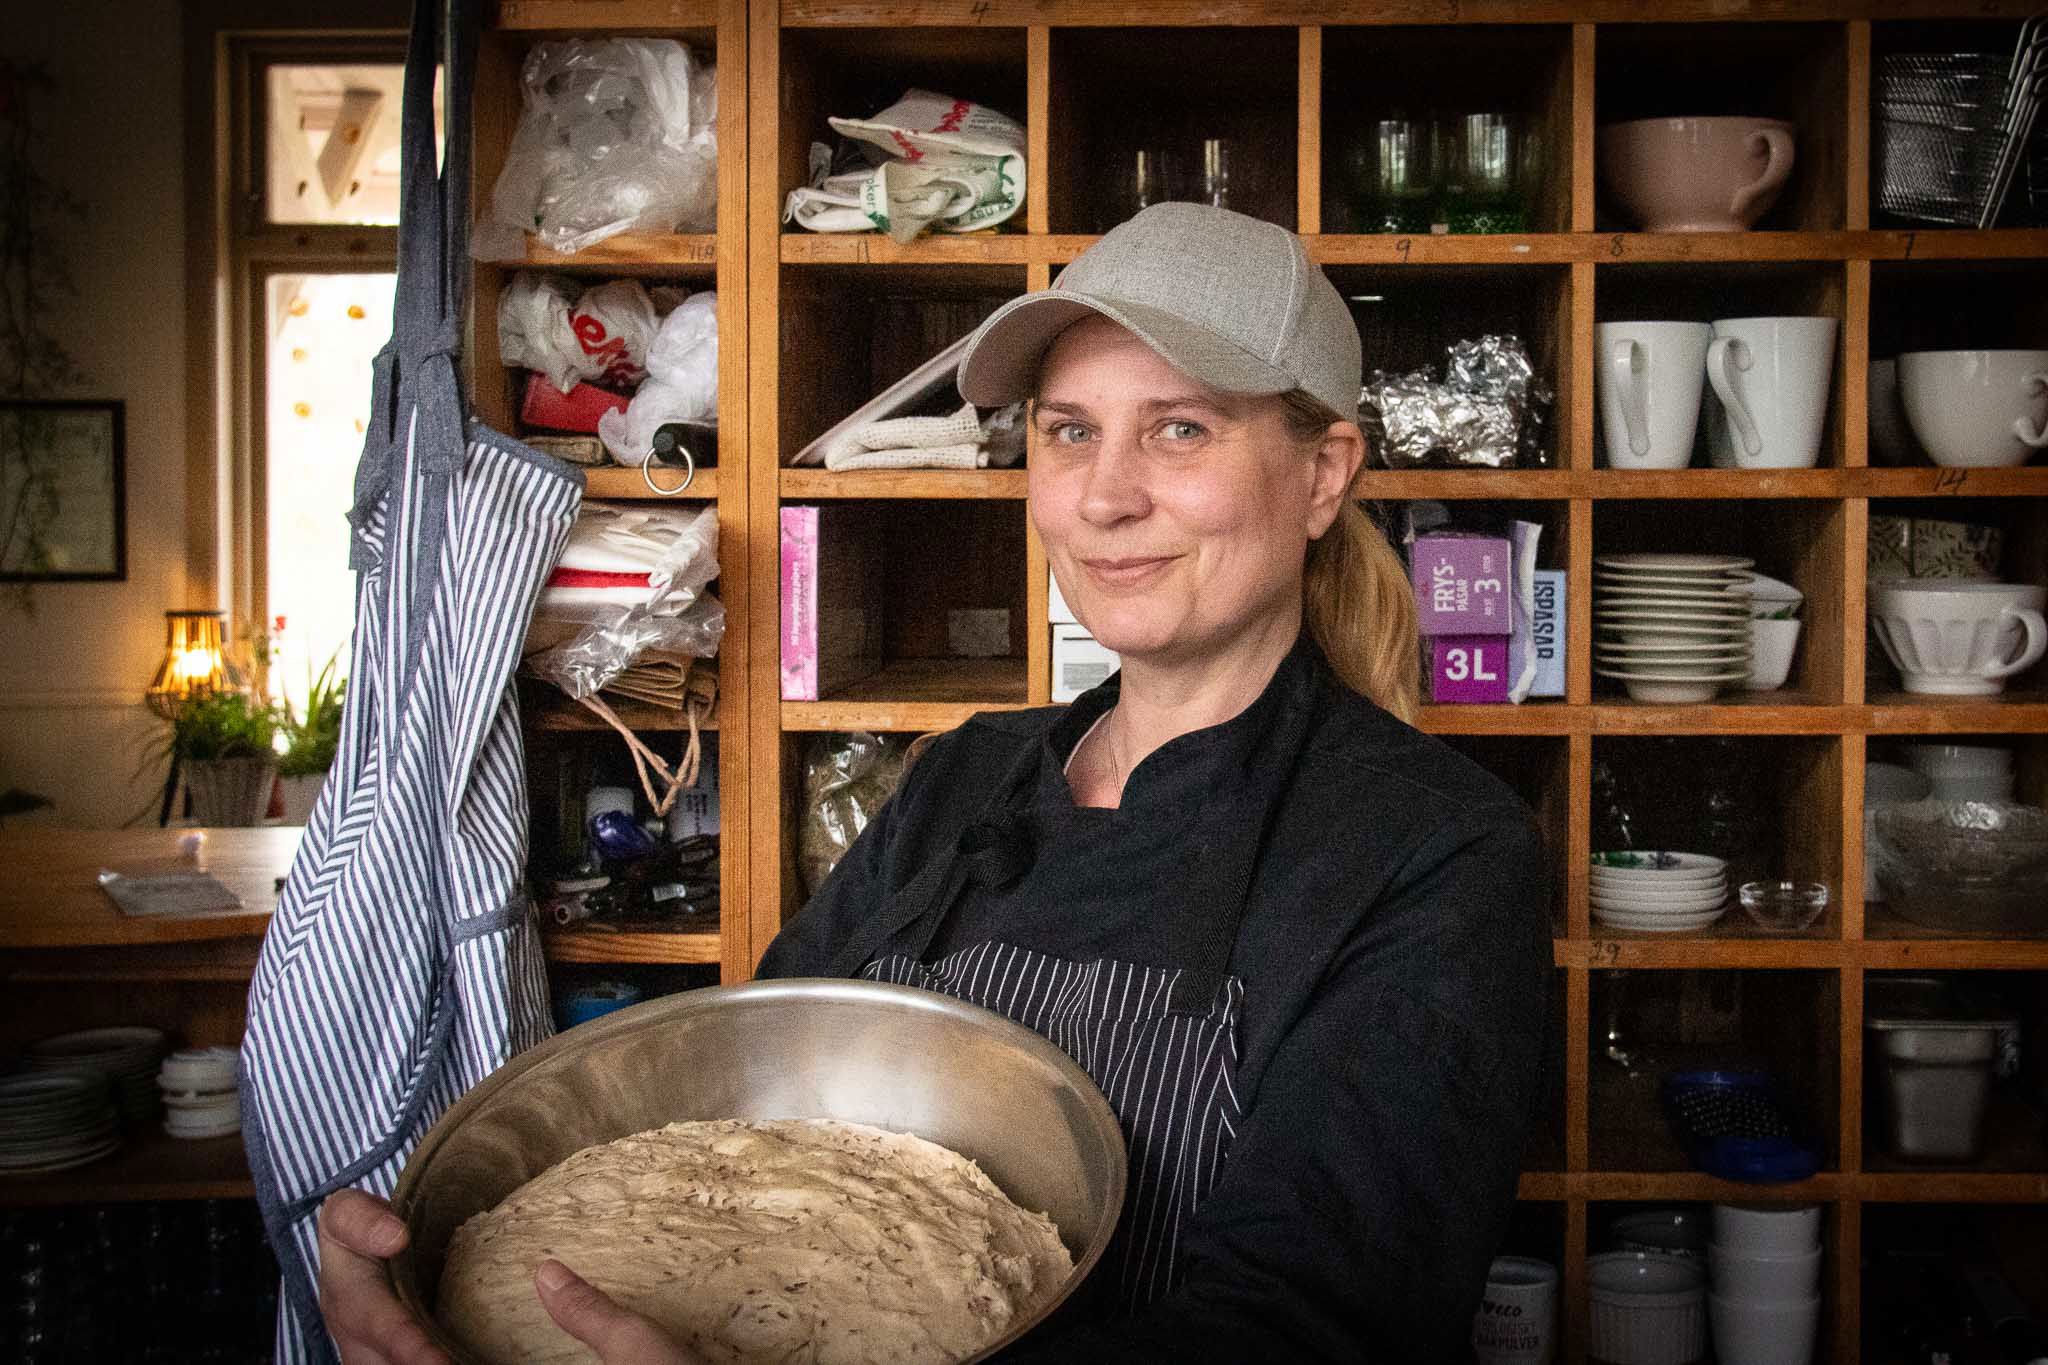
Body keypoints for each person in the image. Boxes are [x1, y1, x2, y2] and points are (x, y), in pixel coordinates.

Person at [316, 202, 1552, 1364]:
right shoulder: (969, 775)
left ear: (1323, 473)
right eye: (1068, 431)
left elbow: (1302, 1334)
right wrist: (444, 1278)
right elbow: (748, 1119)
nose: (1105, 497)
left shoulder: (1432, 852)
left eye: (1178, 429)